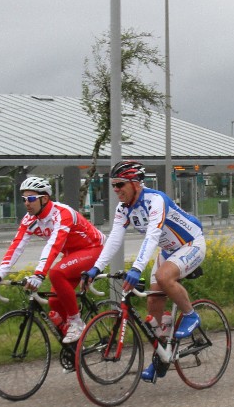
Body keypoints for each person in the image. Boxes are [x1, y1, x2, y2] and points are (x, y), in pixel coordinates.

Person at [84, 160, 205, 383]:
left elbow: (152, 235)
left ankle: (190, 314)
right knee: (153, 304)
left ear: (135, 183)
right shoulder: (123, 208)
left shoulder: (155, 200)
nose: (116, 189)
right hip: (169, 251)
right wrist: (95, 268)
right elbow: (114, 240)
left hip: (191, 244)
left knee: (163, 277)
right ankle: (162, 358)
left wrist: (136, 268)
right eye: (113, 185)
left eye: (120, 184)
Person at [0, 176, 104, 344]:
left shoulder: (62, 213)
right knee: (55, 302)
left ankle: (76, 322)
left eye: (31, 199)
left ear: (45, 199)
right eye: (24, 199)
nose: (26, 203)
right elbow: (16, 246)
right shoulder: (30, 219)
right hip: (71, 255)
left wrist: (39, 274)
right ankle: (75, 348)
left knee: (56, 273)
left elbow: (54, 245)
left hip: (93, 249)